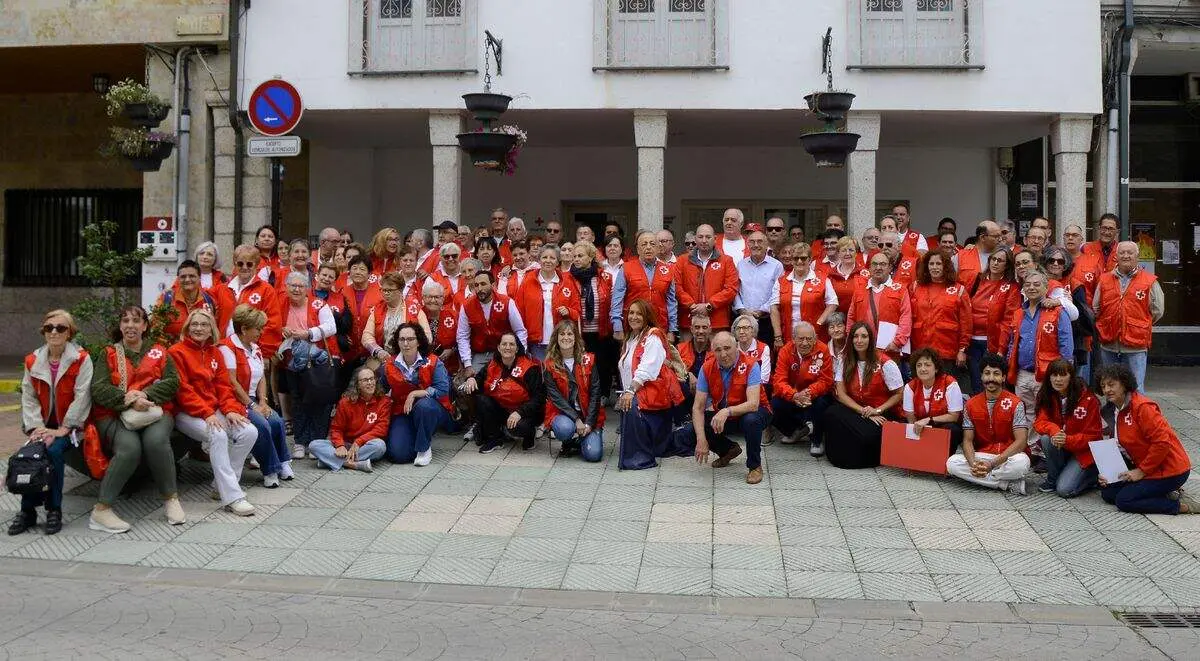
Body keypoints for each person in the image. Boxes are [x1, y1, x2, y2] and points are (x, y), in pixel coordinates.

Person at [87, 306, 182, 532]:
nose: (130, 325)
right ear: (120, 326)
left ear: (145, 326)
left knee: (156, 441)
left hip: (155, 411)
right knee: (129, 448)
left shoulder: (159, 351)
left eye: (136, 321)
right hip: (115, 414)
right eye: (125, 320)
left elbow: (172, 382)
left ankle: (171, 499)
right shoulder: (108, 353)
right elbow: (99, 388)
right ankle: (101, 510)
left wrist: (146, 395)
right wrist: (128, 399)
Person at [8, 311, 93, 536]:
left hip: (72, 427)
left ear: (70, 333)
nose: (54, 332)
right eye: (49, 328)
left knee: (54, 451)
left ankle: (54, 509)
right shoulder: (32, 360)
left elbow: (82, 396)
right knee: (31, 454)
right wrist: (36, 428)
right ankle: (28, 512)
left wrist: (64, 428)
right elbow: (28, 396)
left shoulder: (82, 359)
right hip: (42, 425)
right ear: (43, 332)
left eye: (60, 328)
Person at [168, 309, 258, 515]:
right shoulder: (176, 352)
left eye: (204, 324)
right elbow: (183, 391)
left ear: (211, 330)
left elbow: (223, 387)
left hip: (213, 409)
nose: (198, 328)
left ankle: (221, 486)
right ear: (187, 328)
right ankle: (233, 497)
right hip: (187, 413)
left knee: (248, 431)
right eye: (194, 324)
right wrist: (207, 413)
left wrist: (230, 410)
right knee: (217, 435)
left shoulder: (215, 352)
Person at [1096, 364, 1198, 515]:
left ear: (1124, 384)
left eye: (1111, 385)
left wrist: (1141, 471)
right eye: (1103, 386)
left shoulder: (1143, 407)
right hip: (1145, 465)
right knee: (1108, 493)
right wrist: (1107, 474)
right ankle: (1162, 493)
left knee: (1124, 501)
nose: (1107, 390)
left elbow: (1162, 442)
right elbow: (1115, 446)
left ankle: (1181, 506)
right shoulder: (1111, 410)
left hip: (1170, 469)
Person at [219, 304, 292, 488]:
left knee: (276, 420)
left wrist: (263, 401)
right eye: (258, 328)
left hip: (254, 399)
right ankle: (270, 469)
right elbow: (233, 383)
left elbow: (260, 377)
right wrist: (253, 407)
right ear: (243, 329)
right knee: (262, 425)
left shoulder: (255, 347)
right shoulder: (228, 348)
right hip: (236, 400)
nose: (261, 332)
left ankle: (283, 462)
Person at [691, 331, 770, 484]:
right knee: (698, 425)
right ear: (713, 351)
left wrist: (726, 411)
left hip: (757, 411)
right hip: (727, 413)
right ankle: (728, 450)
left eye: (727, 348)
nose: (723, 354)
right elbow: (698, 408)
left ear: (736, 347)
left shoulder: (751, 364)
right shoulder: (706, 368)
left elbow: (753, 404)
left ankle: (755, 466)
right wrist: (701, 440)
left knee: (751, 420)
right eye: (718, 350)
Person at [617, 300, 687, 470]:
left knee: (631, 405)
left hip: (653, 397)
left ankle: (639, 459)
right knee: (629, 404)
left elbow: (648, 368)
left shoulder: (653, 336)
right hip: (640, 393)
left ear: (647, 316)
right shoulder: (630, 339)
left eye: (639, 313)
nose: (633, 317)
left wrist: (630, 391)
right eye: (631, 313)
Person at [823, 322, 902, 469]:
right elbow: (840, 393)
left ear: (870, 339)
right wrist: (863, 411)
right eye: (855, 336)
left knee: (867, 436)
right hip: (857, 410)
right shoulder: (844, 360)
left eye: (864, 336)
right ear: (851, 339)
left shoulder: (885, 362)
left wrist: (876, 411)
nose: (859, 340)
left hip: (881, 412)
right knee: (831, 412)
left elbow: (898, 394)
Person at [947, 353, 1031, 494]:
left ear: (1003, 377)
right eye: (987, 373)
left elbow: (1021, 442)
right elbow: (967, 440)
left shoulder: (1016, 403)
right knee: (952, 463)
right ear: (981, 376)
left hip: (1008, 457)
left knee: (1021, 463)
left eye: (996, 374)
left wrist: (992, 464)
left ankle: (986, 478)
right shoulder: (971, 404)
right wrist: (973, 464)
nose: (991, 378)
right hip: (983, 455)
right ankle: (1004, 484)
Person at [278, 271, 340, 457]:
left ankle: (317, 441)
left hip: (317, 360)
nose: (296, 289)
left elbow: (331, 327)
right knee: (297, 400)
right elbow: (272, 324)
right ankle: (300, 441)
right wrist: (282, 329)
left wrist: (308, 333)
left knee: (319, 400)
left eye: (301, 286)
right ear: (286, 287)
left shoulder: (318, 304)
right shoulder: (280, 303)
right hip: (292, 361)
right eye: (293, 286)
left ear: (307, 288)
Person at [1094, 241, 1163, 392]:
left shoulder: (1150, 281)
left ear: (1137, 256)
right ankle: (1114, 415)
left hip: (1136, 345)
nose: (1126, 256)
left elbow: (1157, 311)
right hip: (1109, 343)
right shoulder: (1104, 279)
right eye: (1122, 253)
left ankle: (1135, 415)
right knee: (1110, 387)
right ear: (1116, 256)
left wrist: (1138, 323)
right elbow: (1096, 307)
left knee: (1136, 388)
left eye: (1130, 253)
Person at [382, 323, 455, 465]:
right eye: (401, 339)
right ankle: (414, 437)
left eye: (410, 339)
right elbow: (381, 390)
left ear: (419, 341)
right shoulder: (389, 364)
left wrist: (415, 393)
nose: (406, 343)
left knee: (424, 407)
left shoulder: (434, 361)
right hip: (403, 411)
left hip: (432, 409)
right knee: (399, 455)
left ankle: (424, 448)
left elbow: (443, 389)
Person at [461, 331, 543, 453]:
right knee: (480, 398)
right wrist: (471, 379)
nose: (508, 347)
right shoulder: (492, 365)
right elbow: (479, 379)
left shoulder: (530, 368)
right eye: (504, 344)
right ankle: (495, 439)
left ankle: (529, 434)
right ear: (499, 348)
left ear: (517, 348)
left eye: (511, 344)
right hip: (502, 410)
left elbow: (539, 398)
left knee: (518, 428)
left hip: (525, 413)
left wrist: (519, 412)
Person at [1006, 270, 1073, 416]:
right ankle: (1028, 440)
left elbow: (1066, 345)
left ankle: (1042, 439)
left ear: (1045, 288)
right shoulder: (1018, 313)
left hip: (1047, 373)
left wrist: (1063, 372)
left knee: (1047, 412)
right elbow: (1013, 342)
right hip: (1022, 374)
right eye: (1028, 285)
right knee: (1024, 413)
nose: (1031, 288)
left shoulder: (1058, 312)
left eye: (1037, 284)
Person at [1033, 358, 1102, 497]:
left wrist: (1067, 439)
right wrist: (1055, 431)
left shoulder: (1088, 399)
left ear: (1071, 377)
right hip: (1062, 446)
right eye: (1054, 375)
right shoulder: (1047, 394)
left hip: (1083, 452)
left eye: (1063, 375)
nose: (1058, 379)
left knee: (1064, 490)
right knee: (1046, 438)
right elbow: (1040, 422)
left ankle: (1092, 475)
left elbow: (1093, 435)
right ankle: (1053, 479)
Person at [768, 321, 834, 456]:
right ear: (793, 339)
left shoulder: (823, 350)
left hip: (814, 395)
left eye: (809, 339)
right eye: (801, 339)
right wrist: (794, 395)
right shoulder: (785, 350)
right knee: (774, 405)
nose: (805, 343)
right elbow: (779, 380)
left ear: (815, 338)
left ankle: (816, 440)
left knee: (822, 403)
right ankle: (796, 431)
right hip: (793, 394)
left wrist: (809, 392)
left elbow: (826, 380)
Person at [543, 321, 605, 462]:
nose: (566, 337)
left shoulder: (589, 360)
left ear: (576, 338)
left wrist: (588, 423)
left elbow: (596, 393)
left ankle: (579, 441)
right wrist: (576, 420)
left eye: (570, 334)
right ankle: (569, 439)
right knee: (565, 429)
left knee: (594, 455)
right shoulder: (550, 365)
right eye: (562, 334)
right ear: (556, 338)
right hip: (564, 415)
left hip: (588, 415)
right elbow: (556, 398)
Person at [309, 367, 390, 472]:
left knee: (380, 446)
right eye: (365, 380)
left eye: (372, 379)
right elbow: (336, 428)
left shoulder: (384, 401)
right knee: (314, 445)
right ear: (357, 384)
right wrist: (340, 445)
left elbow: (381, 429)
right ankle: (354, 465)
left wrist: (359, 442)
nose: (370, 383)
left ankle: (329, 461)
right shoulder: (345, 402)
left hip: (365, 445)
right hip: (346, 443)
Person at [909, 249, 972, 384]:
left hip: (947, 350)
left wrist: (962, 350)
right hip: (920, 349)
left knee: (944, 389)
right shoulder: (915, 287)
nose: (934, 267)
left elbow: (966, 324)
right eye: (931, 264)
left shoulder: (958, 290)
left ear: (946, 266)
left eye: (939, 264)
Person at [966, 248, 1019, 394]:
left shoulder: (1011, 287)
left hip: (993, 344)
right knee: (977, 387)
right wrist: (962, 346)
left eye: (1000, 260)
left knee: (992, 387)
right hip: (972, 343)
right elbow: (964, 311)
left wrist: (1001, 349)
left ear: (1007, 265)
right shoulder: (977, 280)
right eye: (993, 259)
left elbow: (1008, 321)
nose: (995, 263)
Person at [568, 241, 616, 404]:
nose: (576, 259)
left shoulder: (605, 277)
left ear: (590, 257)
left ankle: (603, 394)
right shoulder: (569, 278)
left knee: (602, 364)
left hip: (601, 330)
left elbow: (611, 302)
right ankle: (583, 396)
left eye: (580, 256)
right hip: (580, 331)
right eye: (574, 256)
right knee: (581, 365)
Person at [216, 244, 282, 360]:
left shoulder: (266, 290)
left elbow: (273, 324)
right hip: (225, 350)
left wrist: (264, 353)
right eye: (240, 263)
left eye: (249, 264)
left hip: (252, 353)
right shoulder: (222, 289)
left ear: (256, 266)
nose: (244, 267)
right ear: (235, 264)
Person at [847, 252, 912, 369]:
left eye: (882, 264)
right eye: (875, 264)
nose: (878, 268)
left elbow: (906, 318)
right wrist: (851, 339)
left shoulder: (900, 290)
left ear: (890, 267)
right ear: (869, 268)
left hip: (890, 349)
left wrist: (898, 342)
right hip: (863, 349)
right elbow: (851, 317)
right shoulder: (859, 291)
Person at [611, 230, 679, 342]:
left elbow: (671, 303)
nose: (648, 247)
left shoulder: (668, 270)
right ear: (637, 249)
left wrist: (672, 330)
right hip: (633, 326)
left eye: (652, 244)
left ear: (658, 248)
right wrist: (617, 327)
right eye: (644, 244)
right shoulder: (626, 268)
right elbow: (617, 300)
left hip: (659, 327)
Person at [457, 270, 529, 375]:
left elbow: (520, 331)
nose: (479, 289)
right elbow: (462, 336)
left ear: (493, 285)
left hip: (505, 352)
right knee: (473, 382)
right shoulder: (467, 306)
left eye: (483, 284)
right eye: (476, 285)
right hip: (480, 353)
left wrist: (518, 355)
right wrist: (467, 364)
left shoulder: (507, 302)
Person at [517, 245, 581, 360]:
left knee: (561, 376)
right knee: (541, 375)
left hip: (561, 342)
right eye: (544, 257)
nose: (548, 261)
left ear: (558, 262)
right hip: (536, 343)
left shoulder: (568, 281)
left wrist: (568, 311)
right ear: (539, 260)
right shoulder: (527, 281)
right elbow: (519, 313)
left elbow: (577, 313)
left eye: (552, 258)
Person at [770, 242, 837, 348]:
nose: (799, 261)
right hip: (788, 336)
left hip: (815, 335)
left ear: (810, 260)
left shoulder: (823, 279)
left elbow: (833, 303)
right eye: (796, 258)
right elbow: (774, 308)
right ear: (791, 260)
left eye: (803, 258)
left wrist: (819, 322)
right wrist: (777, 336)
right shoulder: (781, 281)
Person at [675, 224, 739, 333]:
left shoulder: (726, 261)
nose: (704, 240)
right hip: (689, 319)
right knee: (687, 350)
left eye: (708, 237)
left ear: (715, 239)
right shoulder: (682, 261)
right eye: (700, 237)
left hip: (717, 320)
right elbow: (677, 287)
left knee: (717, 350)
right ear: (695, 239)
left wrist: (710, 305)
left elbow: (731, 289)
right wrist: (691, 305)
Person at [902, 348, 964, 454]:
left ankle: (943, 460)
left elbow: (954, 416)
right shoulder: (910, 387)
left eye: (927, 365)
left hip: (942, 425)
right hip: (919, 425)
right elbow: (910, 418)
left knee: (952, 429)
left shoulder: (949, 383)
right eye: (919, 365)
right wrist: (918, 428)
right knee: (900, 425)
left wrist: (929, 420)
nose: (923, 369)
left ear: (936, 369)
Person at [363, 272, 430, 368]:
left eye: (389, 290)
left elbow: (427, 336)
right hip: (383, 359)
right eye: (383, 290)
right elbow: (367, 335)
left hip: (410, 359)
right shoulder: (377, 309)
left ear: (400, 290)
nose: (385, 293)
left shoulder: (415, 309)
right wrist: (378, 351)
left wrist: (410, 352)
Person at [734, 230, 784, 346]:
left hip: (766, 321)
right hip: (743, 320)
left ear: (767, 245)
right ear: (748, 245)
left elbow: (777, 294)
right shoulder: (740, 265)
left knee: (765, 356)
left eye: (760, 241)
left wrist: (761, 311)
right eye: (752, 242)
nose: (756, 245)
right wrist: (741, 309)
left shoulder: (776, 266)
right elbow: (735, 290)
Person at [158, 260, 219, 341]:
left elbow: (214, 332)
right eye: (183, 276)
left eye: (192, 276)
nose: (187, 280)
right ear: (178, 279)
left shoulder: (209, 301)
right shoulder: (166, 299)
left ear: (199, 278)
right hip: (173, 351)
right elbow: (156, 329)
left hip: (199, 351)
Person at [826, 236, 867, 313]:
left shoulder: (865, 274)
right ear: (838, 253)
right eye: (844, 250)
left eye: (851, 250)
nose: (847, 253)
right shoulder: (830, 275)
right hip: (836, 321)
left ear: (856, 253)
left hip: (858, 318)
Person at [955, 220, 1001, 289]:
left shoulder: (1004, 257)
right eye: (996, 236)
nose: (1000, 239)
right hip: (967, 298)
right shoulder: (961, 256)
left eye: (1000, 236)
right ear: (982, 237)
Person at [732, 314, 772, 386]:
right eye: (738, 328)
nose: (741, 332)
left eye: (745, 328)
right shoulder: (732, 348)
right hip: (735, 390)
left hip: (757, 388)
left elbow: (764, 378)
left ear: (753, 330)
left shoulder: (763, 348)